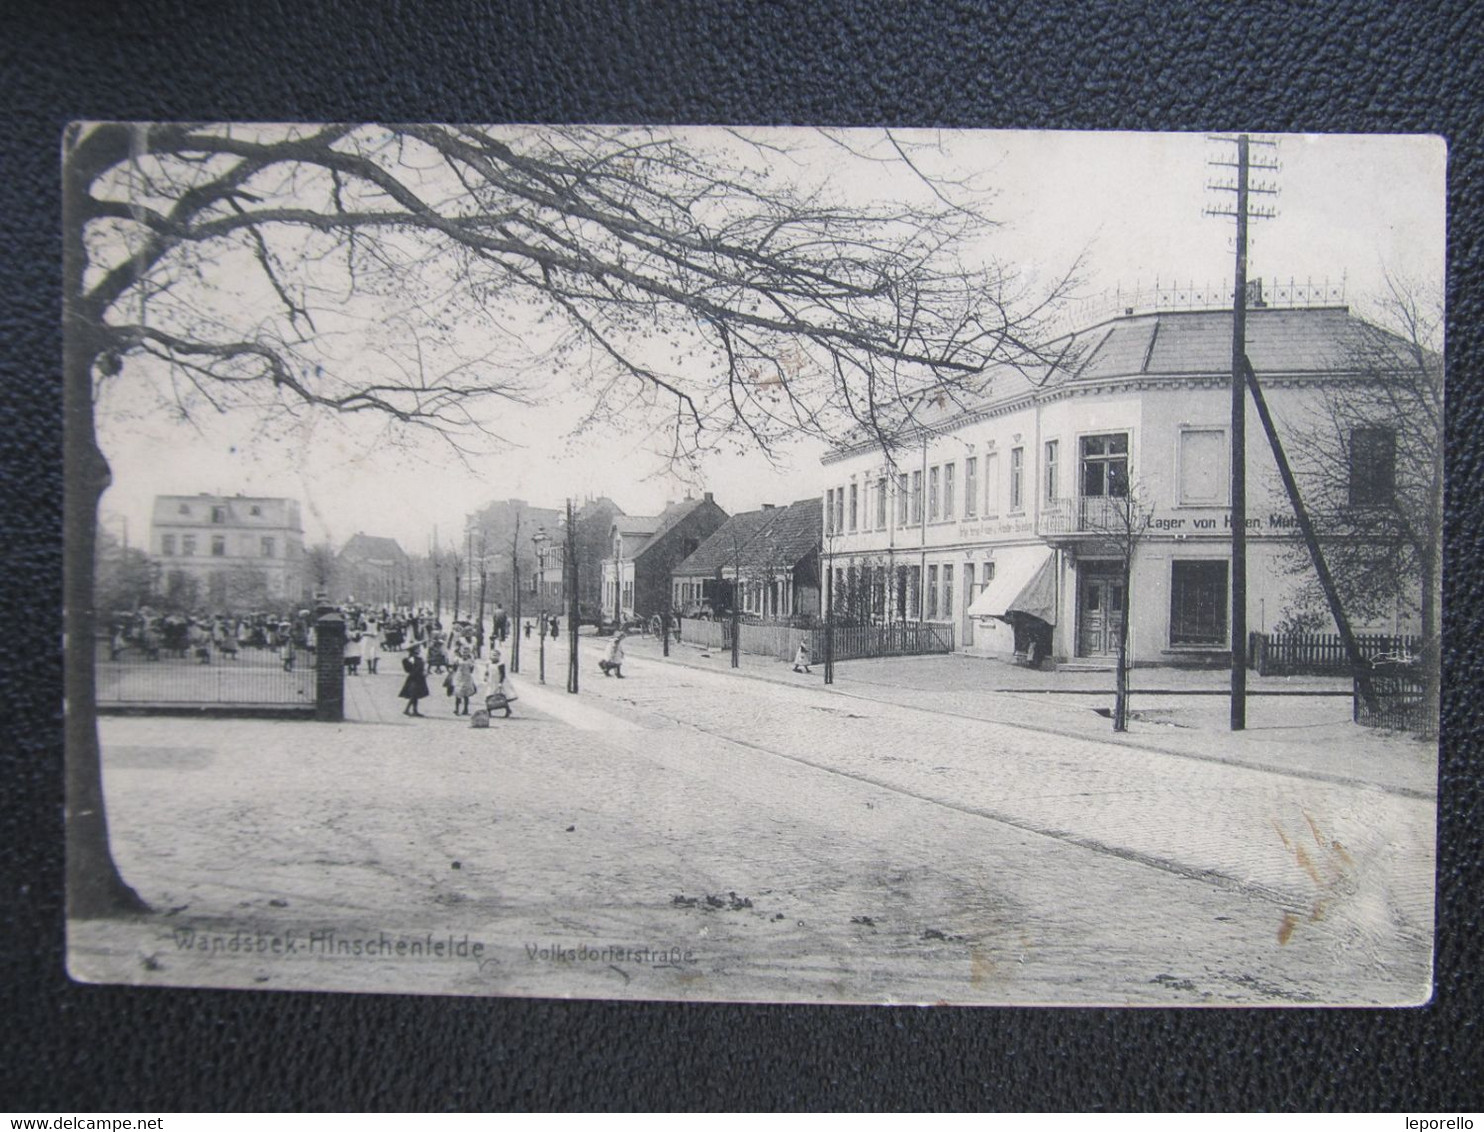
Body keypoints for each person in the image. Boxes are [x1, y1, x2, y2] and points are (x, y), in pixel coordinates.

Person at [399, 644, 430, 717]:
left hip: (417, 678)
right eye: (418, 648)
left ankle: (414, 710)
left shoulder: (416, 658)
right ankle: (408, 710)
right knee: (414, 695)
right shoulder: (412, 659)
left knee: (415, 695)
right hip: (415, 678)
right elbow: (410, 669)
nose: (419, 649)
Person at [451, 648, 479, 716]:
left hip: (467, 678)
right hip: (459, 677)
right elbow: (454, 668)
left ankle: (465, 709)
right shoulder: (457, 659)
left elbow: (471, 670)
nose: (464, 654)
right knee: (458, 693)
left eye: (466, 652)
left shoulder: (470, 661)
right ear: (461, 652)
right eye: (463, 652)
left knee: (466, 695)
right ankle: (456, 709)